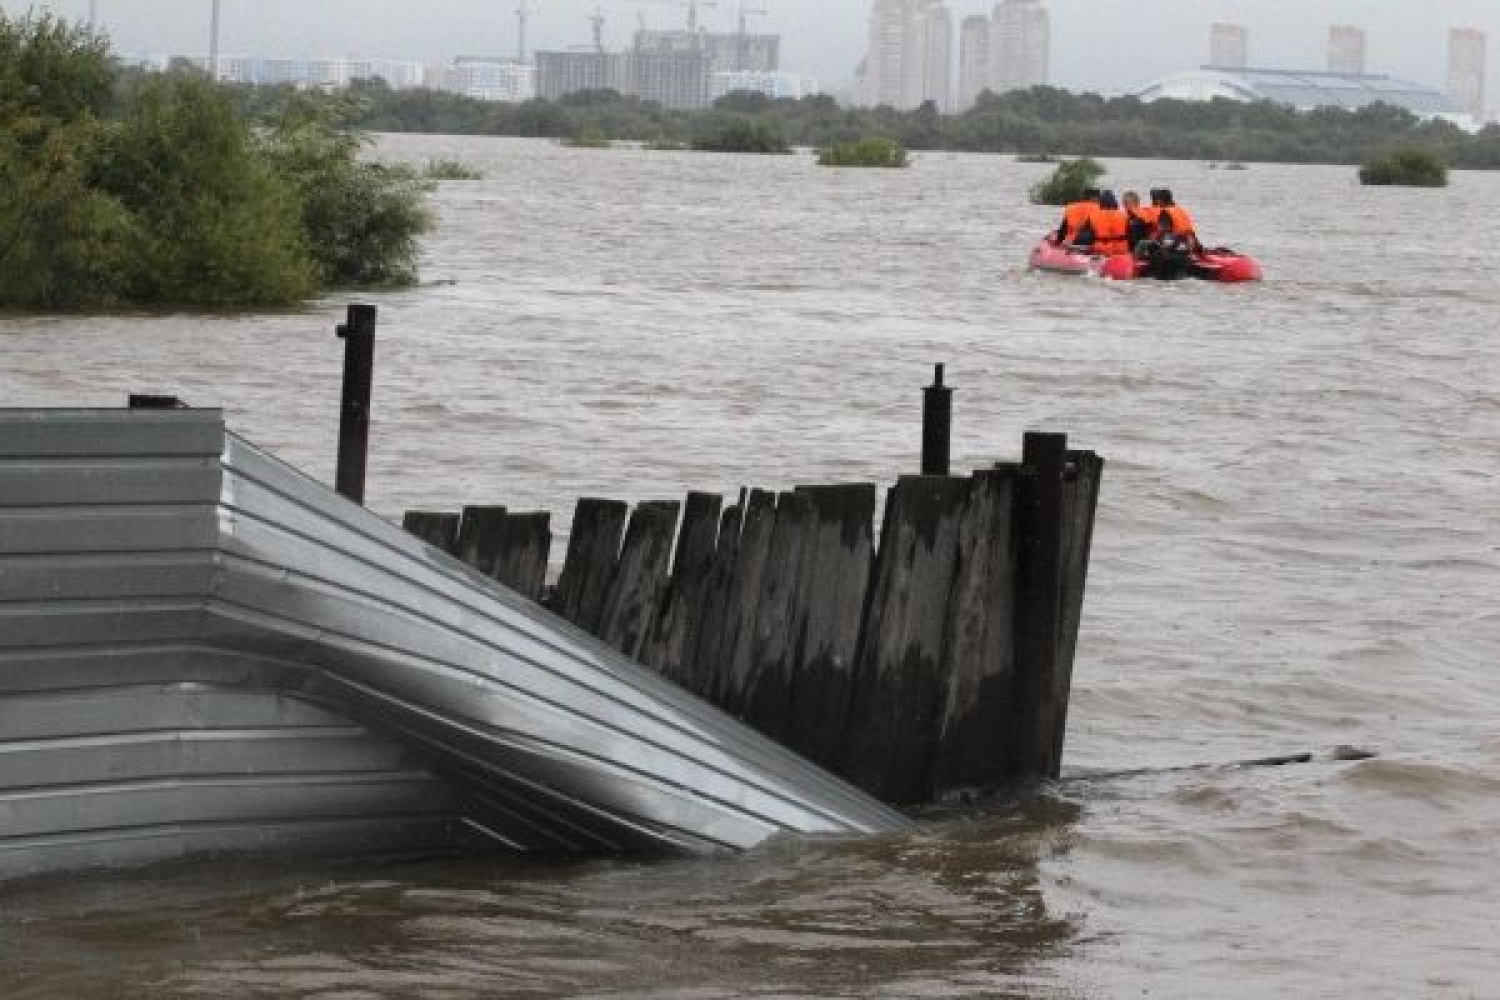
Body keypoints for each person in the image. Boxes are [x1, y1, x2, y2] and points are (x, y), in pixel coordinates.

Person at [1088, 190, 1130, 256]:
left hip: (1101, 251)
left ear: (1101, 203)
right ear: (1115, 203)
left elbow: (1090, 236)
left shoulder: (1093, 216)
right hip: (1121, 251)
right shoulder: (1124, 215)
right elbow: (1129, 233)